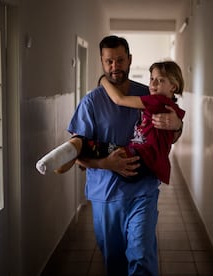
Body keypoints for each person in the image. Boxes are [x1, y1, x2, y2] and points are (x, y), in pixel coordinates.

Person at [62, 35, 183, 275]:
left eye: (119, 60)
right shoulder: (91, 102)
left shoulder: (147, 95)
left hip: (143, 193)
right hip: (106, 196)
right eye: (109, 62)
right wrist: (106, 163)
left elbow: (169, 136)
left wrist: (177, 125)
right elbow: (78, 153)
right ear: (102, 62)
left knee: (141, 257)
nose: (114, 66)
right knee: (114, 260)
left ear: (129, 60)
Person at [36, 61, 185, 185]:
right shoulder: (173, 108)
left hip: (137, 160)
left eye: (160, 80)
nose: (153, 84)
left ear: (173, 86)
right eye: (151, 79)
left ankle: (64, 157)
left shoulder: (157, 100)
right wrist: (178, 124)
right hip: (144, 165)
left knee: (87, 145)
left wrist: (103, 81)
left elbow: (119, 99)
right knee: (88, 147)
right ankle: (68, 155)